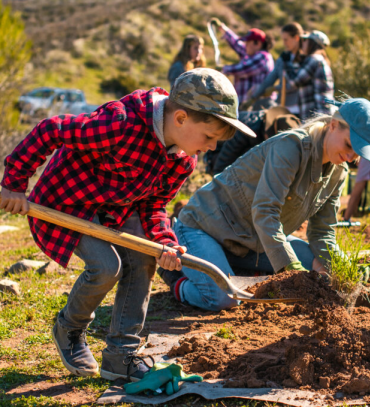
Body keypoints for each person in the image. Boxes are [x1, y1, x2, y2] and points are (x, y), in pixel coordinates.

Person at [0, 68, 255, 380]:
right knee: (107, 266)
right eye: (209, 137)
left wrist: (165, 241)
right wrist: (14, 183)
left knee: (143, 258)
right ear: (181, 118)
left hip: (112, 210)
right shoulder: (120, 124)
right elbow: (51, 129)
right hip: (66, 202)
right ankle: (69, 328)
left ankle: (121, 355)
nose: (212, 148)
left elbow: (153, 205)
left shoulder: (184, 159)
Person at [158, 98, 370, 312]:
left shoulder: (339, 172)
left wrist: (341, 267)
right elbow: (265, 212)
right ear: (334, 125)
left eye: (358, 152)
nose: (350, 155)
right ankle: (178, 281)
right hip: (203, 229)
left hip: (251, 242)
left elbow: (322, 232)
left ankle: (234, 269)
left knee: (318, 268)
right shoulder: (291, 147)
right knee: (226, 298)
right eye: (348, 144)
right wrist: (290, 269)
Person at [204, 106, 301, 175]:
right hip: (216, 154)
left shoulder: (264, 127)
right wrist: (217, 182)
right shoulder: (249, 129)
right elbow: (226, 155)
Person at [210, 18, 275, 105]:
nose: (245, 45)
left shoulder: (263, 57)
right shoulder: (251, 53)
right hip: (245, 104)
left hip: (258, 105)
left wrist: (224, 68)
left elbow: (244, 69)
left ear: (258, 44)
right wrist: (222, 28)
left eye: (248, 43)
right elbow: (236, 43)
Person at [249, 22, 305, 115]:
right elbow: (270, 79)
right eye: (283, 40)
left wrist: (275, 88)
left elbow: (294, 84)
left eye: (286, 40)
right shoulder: (283, 59)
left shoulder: (307, 60)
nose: (284, 43)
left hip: (302, 110)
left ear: (296, 38)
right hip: (284, 108)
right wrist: (253, 97)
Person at [285, 30, 335, 120]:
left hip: (317, 114)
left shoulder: (314, 60)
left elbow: (294, 82)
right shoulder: (321, 60)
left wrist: (287, 66)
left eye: (305, 41)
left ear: (312, 43)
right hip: (323, 111)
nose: (303, 44)